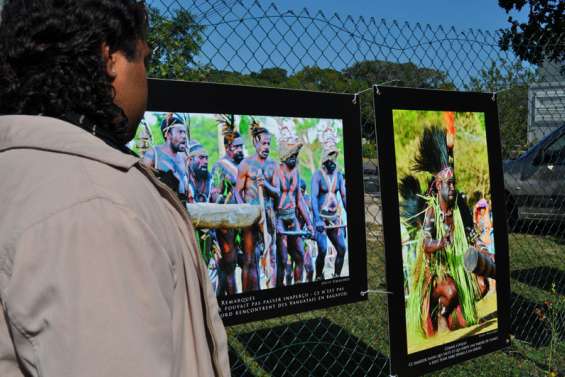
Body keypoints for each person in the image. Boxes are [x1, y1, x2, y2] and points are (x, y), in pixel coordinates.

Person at [0, 1, 230, 376]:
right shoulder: (96, 208)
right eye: (144, 60)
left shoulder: (19, 169)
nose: (147, 78)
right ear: (109, 58)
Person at [401, 126, 479, 339]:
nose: (453, 187)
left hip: (455, 267)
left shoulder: (455, 208)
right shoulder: (431, 213)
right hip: (435, 274)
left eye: (454, 183)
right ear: (437, 186)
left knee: (480, 284)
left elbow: (450, 172)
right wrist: (442, 242)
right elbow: (426, 245)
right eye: (449, 184)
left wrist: (474, 238)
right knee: (451, 290)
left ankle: (455, 315)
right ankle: (439, 317)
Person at [234, 119, 279, 291]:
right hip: (251, 214)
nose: (267, 147)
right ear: (255, 142)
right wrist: (243, 210)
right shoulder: (245, 164)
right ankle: (250, 293)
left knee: (271, 254)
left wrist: (266, 185)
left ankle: (271, 290)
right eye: (264, 143)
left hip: (268, 213)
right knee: (250, 257)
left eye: (269, 143)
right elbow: (238, 191)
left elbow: (278, 191)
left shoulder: (273, 165)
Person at [211, 116, 245, 296]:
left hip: (246, 222)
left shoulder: (246, 165)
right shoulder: (220, 166)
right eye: (236, 147)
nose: (240, 150)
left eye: (241, 146)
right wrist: (221, 199)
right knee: (229, 265)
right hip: (228, 223)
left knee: (248, 262)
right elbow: (215, 193)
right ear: (227, 148)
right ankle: (234, 302)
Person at [275, 142, 314, 287]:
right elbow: (270, 201)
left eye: (296, 155)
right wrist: (273, 223)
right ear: (284, 156)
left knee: (299, 256)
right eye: (291, 155)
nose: (294, 158)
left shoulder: (296, 173)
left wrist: (309, 224)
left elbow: (299, 201)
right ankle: (280, 287)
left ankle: (298, 286)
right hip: (279, 217)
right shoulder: (275, 172)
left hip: (292, 217)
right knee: (283, 261)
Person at [311, 144, 348, 280]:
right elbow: (313, 198)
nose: (333, 161)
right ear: (324, 160)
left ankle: (336, 277)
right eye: (330, 158)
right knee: (322, 250)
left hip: (334, 218)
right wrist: (317, 220)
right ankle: (319, 276)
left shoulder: (338, 176)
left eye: (334, 158)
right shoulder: (317, 176)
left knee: (342, 249)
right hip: (320, 218)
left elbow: (344, 196)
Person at [142, 113, 190, 198]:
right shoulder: (153, 155)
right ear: (168, 135)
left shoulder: (184, 158)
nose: (184, 136)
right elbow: (144, 186)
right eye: (180, 132)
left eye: (184, 132)